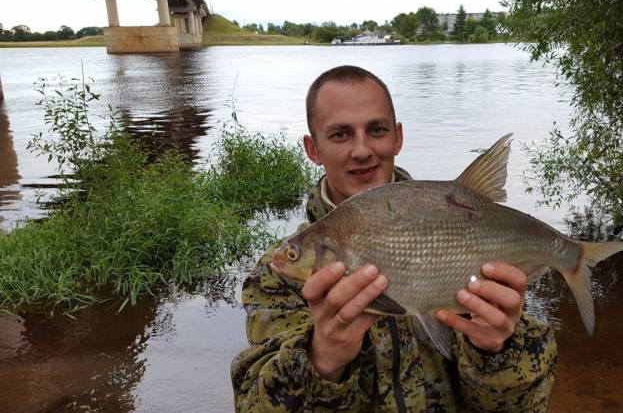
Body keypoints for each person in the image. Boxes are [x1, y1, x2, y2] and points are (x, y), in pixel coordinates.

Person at [230, 65, 557, 412]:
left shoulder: (460, 229)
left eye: (376, 130)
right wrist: (323, 359)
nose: (361, 150)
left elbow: (523, 407)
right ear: (313, 149)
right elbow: (255, 404)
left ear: (397, 137)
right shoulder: (276, 275)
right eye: (340, 134)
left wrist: (496, 350)